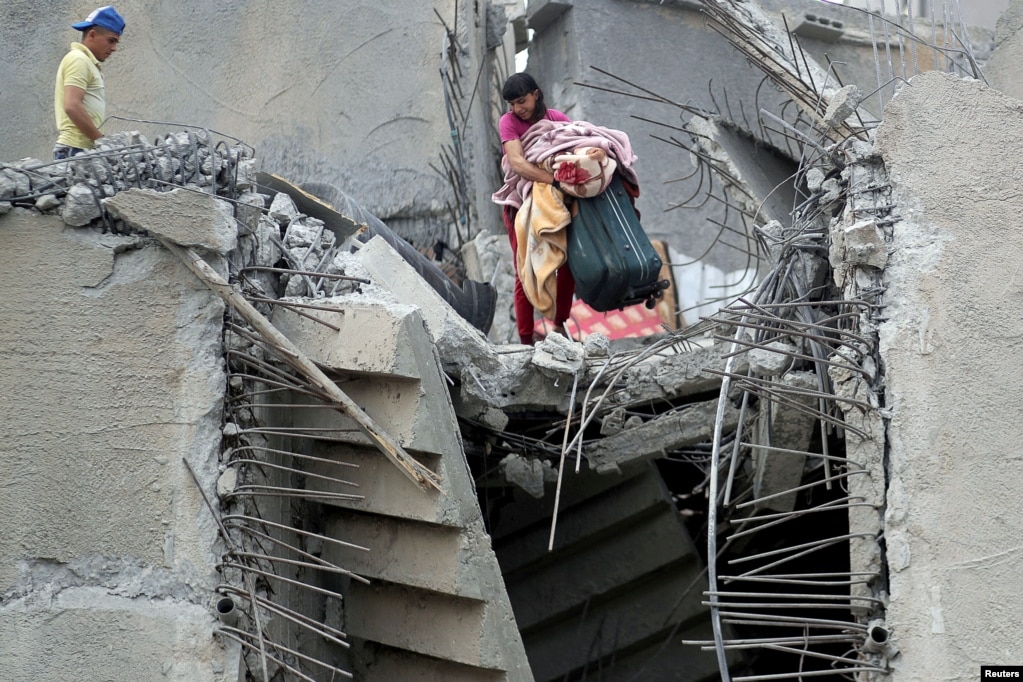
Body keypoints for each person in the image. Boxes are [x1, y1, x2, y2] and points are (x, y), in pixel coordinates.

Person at [495, 73, 577, 345]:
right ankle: (526, 342)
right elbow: (517, 163)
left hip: (558, 204)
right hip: (520, 203)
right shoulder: (509, 122)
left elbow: (576, 150)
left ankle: (558, 325)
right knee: (524, 270)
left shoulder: (558, 120)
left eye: (522, 101)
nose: (518, 109)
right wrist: (554, 180)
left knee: (568, 263)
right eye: (512, 104)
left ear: (536, 94)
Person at [53, 6, 126, 160]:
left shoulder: (87, 62)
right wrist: (102, 142)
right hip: (75, 149)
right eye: (111, 41)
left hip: (81, 148)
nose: (114, 48)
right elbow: (72, 106)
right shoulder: (78, 59)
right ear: (92, 34)